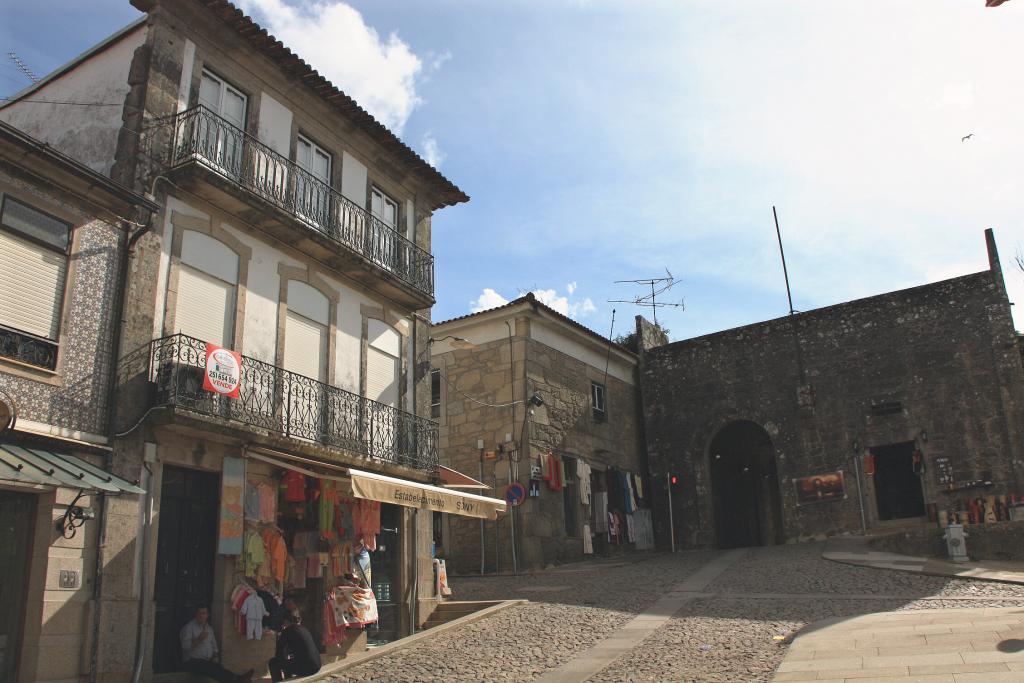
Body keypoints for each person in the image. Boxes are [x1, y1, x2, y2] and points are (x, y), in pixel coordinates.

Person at [180, 605, 253, 683]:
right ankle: (238, 680)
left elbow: (215, 647)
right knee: (213, 668)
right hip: (192, 662)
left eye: (204, 613)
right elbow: (185, 647)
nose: (202, 616)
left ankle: (237, 679)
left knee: (217, 667)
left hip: (207, 661)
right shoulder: (188, 628)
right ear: (196, 614)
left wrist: (215, 656)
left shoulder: (209, 629)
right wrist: (199, 639)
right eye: (200, 613)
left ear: (207, 615)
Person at [268, 612, 322, 681]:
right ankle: (288, 679)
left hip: (308, 668)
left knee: (273, 662)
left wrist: (280, 636)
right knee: (287, 661)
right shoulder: (304, 629)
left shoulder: (287, 631)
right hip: (317, 666)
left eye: (283, 622)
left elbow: (278, 655)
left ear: (286, 621)